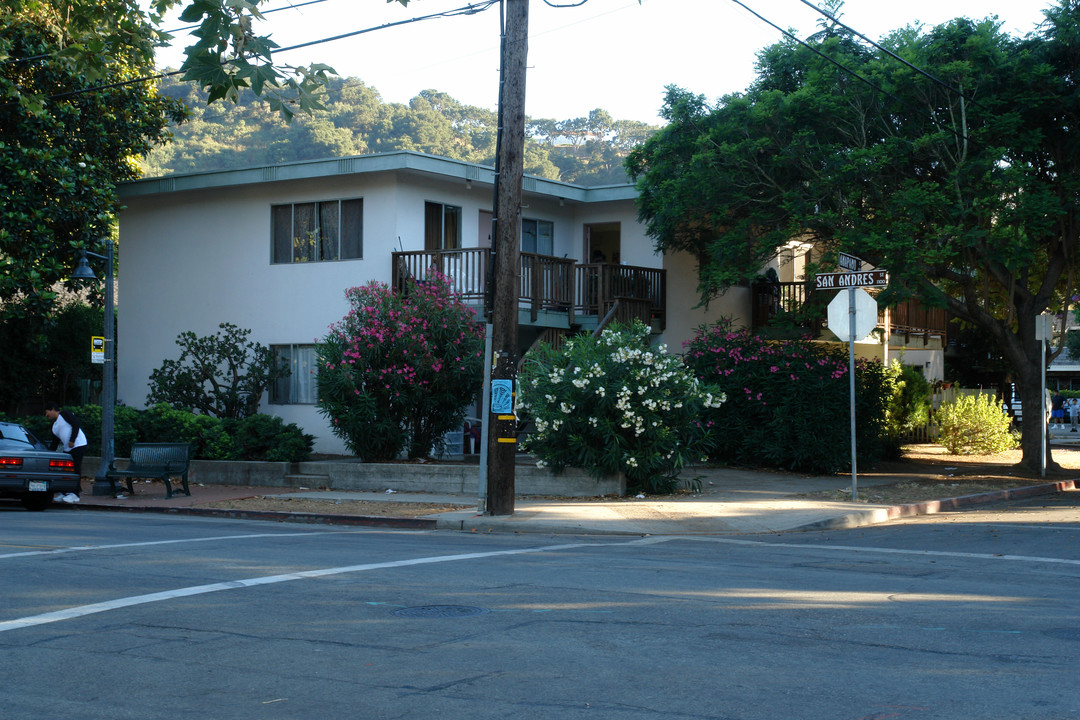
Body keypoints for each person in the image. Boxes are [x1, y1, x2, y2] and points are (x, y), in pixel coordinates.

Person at [44, 401, 86, 503]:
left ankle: (75, 494)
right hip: (68, 449)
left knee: (76, 469)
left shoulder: (65, 414)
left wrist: (72, 440)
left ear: (53, 409)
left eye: (47, 412)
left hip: (78, 445)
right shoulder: (54, 427)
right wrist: (48, 455)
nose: (46, 415)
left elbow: (76, 424)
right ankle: (64, 492)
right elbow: (55, 443)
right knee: (65, 470)